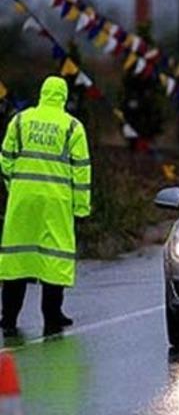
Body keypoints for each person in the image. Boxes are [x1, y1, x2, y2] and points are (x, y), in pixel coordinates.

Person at [0, 76, 91, 337]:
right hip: (56, 201)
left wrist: (15, 185)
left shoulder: (20, 120)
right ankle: (52, 316)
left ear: (42, 94)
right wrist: (81, 208)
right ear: (62, 97)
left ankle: (8, 318)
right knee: (54, 257)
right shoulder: (72, 128)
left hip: (22, 199)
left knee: (17, 258)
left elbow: (5, 158)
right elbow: (81, 171)